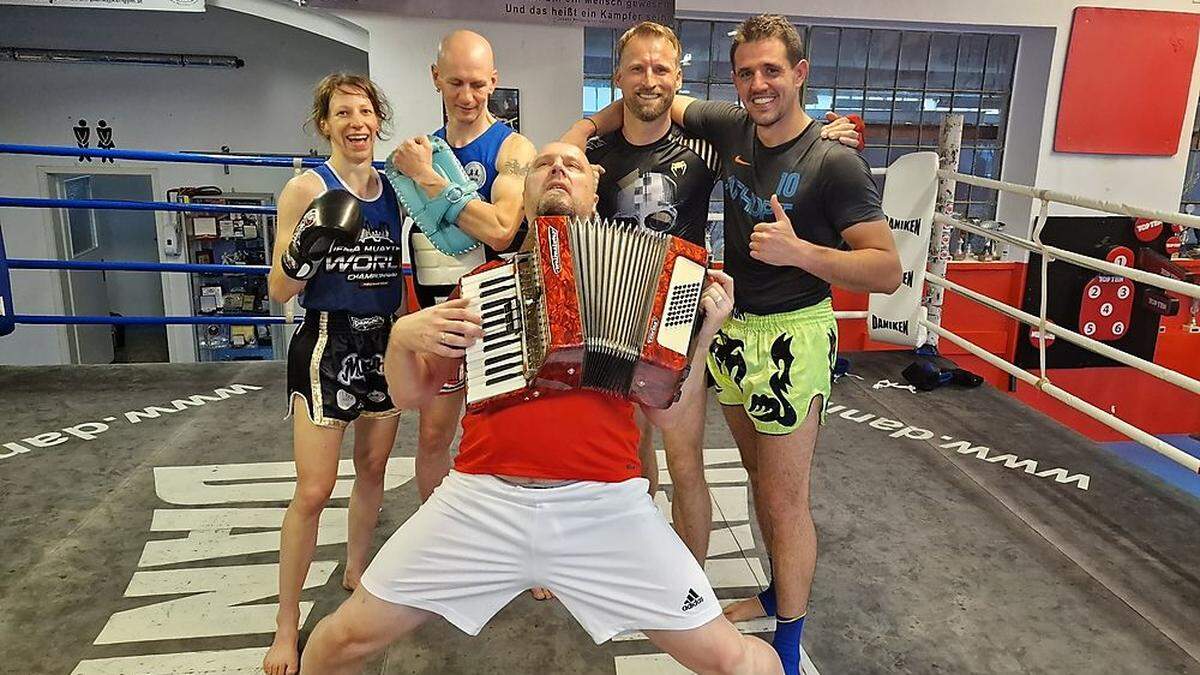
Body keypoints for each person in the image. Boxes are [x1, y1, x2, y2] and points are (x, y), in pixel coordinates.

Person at [298, 142, 784, 675]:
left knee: (734, 661)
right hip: (482, 500)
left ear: (593, 194)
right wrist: (400, 340)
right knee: (334, 645)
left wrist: (704, 337)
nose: (557, 169)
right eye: (543, 164)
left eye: (572, 165)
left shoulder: (658, 284)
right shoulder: (476, 290)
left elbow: (667, 416)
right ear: (523, 194)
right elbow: (413, 396)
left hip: (604, 506)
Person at [566, 15, 901, 674]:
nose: (758, 84)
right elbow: (645, 98)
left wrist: (801, 251)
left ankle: (789, 643)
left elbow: (887, 270)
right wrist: (578, 132)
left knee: (784, 500)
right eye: (747, 72)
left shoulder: (834, 161)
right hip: (734, 329)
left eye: (772, 70)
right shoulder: (729, 128)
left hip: (793, 333)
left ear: (800, 73)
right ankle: (775, 590)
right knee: (755, 480)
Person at [263, 73, 406, 675]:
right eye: (343, 113)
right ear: (325, 124)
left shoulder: (395, 189)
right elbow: (277, 291)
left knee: (372, 467)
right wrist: (305, 249)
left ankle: (357, 566)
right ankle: (284, 627)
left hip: (385, 341)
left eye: (365, 111)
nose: (357, 122)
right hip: (325, 340)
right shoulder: (304, 187)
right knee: (315, 489)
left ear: (379, 119)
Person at [388, 29, 537, 503]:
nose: (467, 96)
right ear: (436, 79)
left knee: (511, 436)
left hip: (502, 314)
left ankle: (521, 549)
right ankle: (436, 542)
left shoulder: (513, 150)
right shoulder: (418, 151)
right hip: (441, 312)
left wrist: (428, 178)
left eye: (477, 84)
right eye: (455, 83)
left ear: (494, 81)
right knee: (434, 435)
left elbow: (501, 229)